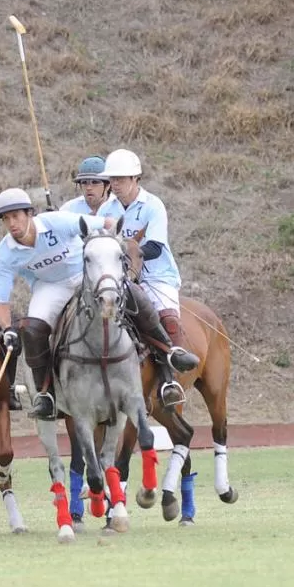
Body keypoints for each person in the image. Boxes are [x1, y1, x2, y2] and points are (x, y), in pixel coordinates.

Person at [0, 188, 117, 421]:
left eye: (16, 215)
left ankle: (163, 358)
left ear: (30, 213)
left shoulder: (56, 222)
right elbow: (1, 302)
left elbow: (106, 222)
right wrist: (7, 329)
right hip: (51, 286)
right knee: (31, 330)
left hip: (85, 275)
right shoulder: (4, 254)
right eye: (6, 219)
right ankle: (46, 395)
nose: (11, 223)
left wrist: (111, 242)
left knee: (130, 296)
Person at [96, 149, 199, 407]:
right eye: (112, 180)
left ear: (135, 179)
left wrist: (129, 253)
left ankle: (169, 376)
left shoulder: (153, 205)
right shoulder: (106, 209)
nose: (115, 185)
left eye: (120, 179)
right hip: (121, 279)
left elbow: (155, 246)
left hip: (156, 275)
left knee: (166, 316)